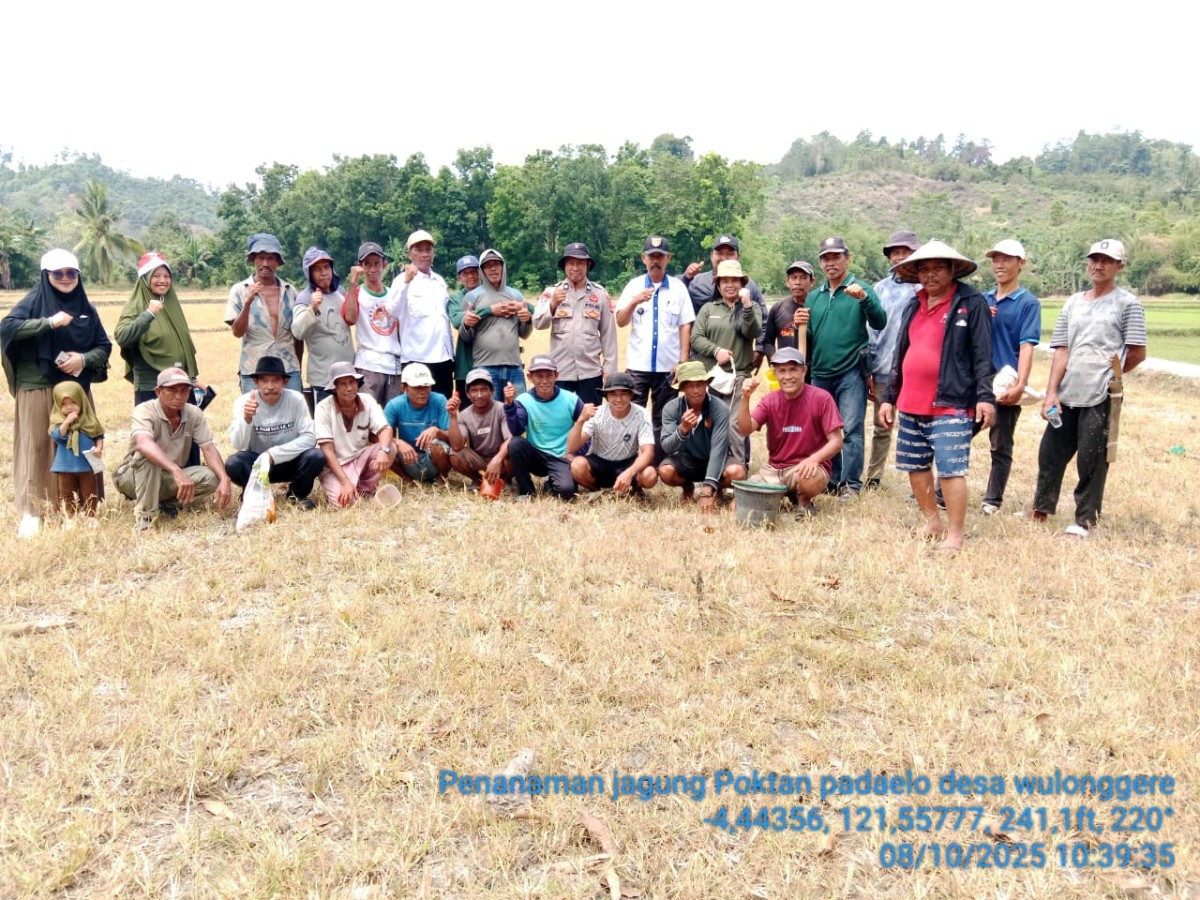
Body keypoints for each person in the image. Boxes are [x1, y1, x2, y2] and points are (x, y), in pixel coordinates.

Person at [878, 240, 995, 552]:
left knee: (951, 468)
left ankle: (955, 535)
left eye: (937, 268)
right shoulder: (913, 305)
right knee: (915, 465)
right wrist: (889, 396)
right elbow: (900, 352)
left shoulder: (971, 302)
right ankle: (932, 520)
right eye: (924, 269)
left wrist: (985, 396)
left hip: (952, 402)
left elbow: (983, 354)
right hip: (911, 402)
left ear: (952, 270)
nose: (930, 274)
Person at [1032, 239, 1146, 537]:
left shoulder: (1128, 304)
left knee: (1092, 459)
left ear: (1119, 266)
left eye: (1106, 260)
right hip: (1068, 391)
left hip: (1101, 395)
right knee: (1050, 453)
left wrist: (1112, 377)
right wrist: (1051, 392)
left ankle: (1084, 520)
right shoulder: (1073, 302)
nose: (1098, 265)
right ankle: (1041, 508)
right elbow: (1061, 350)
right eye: (1094, 259)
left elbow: (1137, 352)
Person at [2, 249, 112, 538]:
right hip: (38, 383)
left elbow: (104, 346)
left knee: (84, 441)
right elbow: (7, 329)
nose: (65, 278)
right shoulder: (33, 303)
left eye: (71, 273)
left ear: (78, 275)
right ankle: (34, 510)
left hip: (75, 388)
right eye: (58, 273)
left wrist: (83, 360)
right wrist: (49, 323)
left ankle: (85, 506)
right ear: (46, 276)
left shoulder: (86, 308)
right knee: (38, 445)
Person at [807, 236, 888, 499]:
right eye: (825, 258)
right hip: (820, 373)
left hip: (851, 372)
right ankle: (831, 479)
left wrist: (864, 299)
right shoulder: (814, 297)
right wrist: (798, 323)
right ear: (820, 263)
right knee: (824, 430)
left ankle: (851, 484)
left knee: (851, 428)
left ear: (847, 258)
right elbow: (808, 336)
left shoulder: (860, 288)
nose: (831, 263)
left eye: (836, 257)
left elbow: (880, 322)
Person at [113, 367, 233, 531]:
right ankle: (145, 519)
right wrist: (176, 470)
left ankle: (166, 503)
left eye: (184, 390)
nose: (179, 396)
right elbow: (143, 443)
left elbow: (208, 448)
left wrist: (225, 478)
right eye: (172, 390)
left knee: (212, 477)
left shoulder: (193, 413)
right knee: (147, 456)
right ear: (158, 391)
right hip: (132, 477)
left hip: (168, 477)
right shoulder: (145, 410)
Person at [737, 348, 844, 518]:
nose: (787, 376)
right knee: (740, 501)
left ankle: (804, 500)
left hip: (805, 468)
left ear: (804, 371)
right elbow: (744, 429)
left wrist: (814, 459)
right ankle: (781, 495)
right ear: (775, 374)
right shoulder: (769, 400)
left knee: (808, 477)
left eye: (793, 369)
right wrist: (745, 399)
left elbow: (837, 441)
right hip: (774, 470)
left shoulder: (821, 398)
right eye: (782, 371)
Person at [616, 235, 696, 457]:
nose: (655, 261)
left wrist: (682, 362)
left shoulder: (679, 288)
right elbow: (621, 321)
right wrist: (634, 301)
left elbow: (685, 326)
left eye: (660, 257)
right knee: (633, 413)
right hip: (638, 365)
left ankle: (659, 461)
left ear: (668, 258)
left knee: (664, 417)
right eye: (651, 257)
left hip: (667, 366)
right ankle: (631, 458)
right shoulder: (633, 286)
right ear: (643, 258)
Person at [981, 239, 1041, 514]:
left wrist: (1021, 385)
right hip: (980, 379)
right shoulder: (984, 299)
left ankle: (992, 500)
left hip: (1006, 380)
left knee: (1001, 442)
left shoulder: (1027, 303)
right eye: (996, 259)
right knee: (957, 434)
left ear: (1021, 263)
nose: (1000, 265)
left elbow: (1026, 346)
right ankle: (942, 492)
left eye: (1007, 259)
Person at [226, 356, 326, 510]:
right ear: (256, 382)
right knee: (234, 463)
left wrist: (273, 454)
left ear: (285, 382)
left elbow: (309, 438)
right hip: (258, 464)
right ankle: (254, 495)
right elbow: (238, 444)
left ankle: (296, 496)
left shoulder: (296, 399)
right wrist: (246, 419)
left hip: (290, 462)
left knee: (316, 456)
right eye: (264, 380)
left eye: (275, 380)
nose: (270, 386)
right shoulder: (244, 402)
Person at [690, 259, 762, 467]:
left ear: (742, 284)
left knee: (735, 425)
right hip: (711, 377)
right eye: (725, 281)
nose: (730, 285)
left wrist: (747, 305)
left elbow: (753, 332)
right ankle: (709, 473)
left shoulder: (752, 307)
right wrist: (716, 350)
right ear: (718, 285)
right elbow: (696, 338)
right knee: (709, 423)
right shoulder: (708, 308)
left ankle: (737, 472)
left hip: (739, 376)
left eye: (735, 280)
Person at [865, 231, 920, 489]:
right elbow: (872, 332)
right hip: (884, 369)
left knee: (917, 427)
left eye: (905, 251)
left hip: (916, 371)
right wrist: (870, 369)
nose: (899, 257)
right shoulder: (880, 289)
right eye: (895, 252)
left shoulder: (924, 288)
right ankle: (874, 476)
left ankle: (919, 480)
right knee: (881, 426)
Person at [533, 242, 617, 405]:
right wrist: (553, 305)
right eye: (571, 263)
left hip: (590, 372)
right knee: (561, 420)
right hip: (560, 372)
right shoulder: (552, 292)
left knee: (591, 421)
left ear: (588, 265)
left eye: (580, 263)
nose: (575, 267)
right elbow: (537, 323)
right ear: (565, 266)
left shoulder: (599, 294)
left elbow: (609, 335)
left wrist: (610, 371)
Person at [115, 251, 204, 405]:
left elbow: (182, 345)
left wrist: (192, 379)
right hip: (152, 386)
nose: (162, 280)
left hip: (180, 384)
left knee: (182, 428)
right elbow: (122, 336)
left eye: (166, 276)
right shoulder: (137, 306)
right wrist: (149, 314)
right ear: (145, 279)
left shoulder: (171, 304)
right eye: (156, 276)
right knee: (153, 428)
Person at [658, 360, 743, 512]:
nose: (696, 390)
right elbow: (667, 446)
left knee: (737, 472)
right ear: (683, 388)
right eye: (690, 385)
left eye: (700, 384)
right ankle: (687, 486)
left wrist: (708, 489)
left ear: (706, 384)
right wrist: (682, 429)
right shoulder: (671, 409)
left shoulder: (720, 408)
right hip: (689, 460)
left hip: (716, 458)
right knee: (665, 471)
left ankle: (716, 489)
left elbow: (718, 449)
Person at [225, 233, 302, 394]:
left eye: (271, 258)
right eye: (261, 258)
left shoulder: (290, 291)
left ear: (278, 262)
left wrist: (298, 365)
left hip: (288, 368)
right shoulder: (239, 290)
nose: (265, 263)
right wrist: (248, 302)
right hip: (254, 369)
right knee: (254, 415)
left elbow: (298, 334)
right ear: (253, 259)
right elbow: (237, 332)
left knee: (293, 416)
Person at [313, 361, 397, 507]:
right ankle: (350, 489)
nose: (349, 388)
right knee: (345, 504)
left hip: (359, 456)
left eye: (352, 382)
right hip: (335, 465)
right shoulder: (323, 408)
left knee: (390, 448)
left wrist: (384, 451)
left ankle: (365, 489)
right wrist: (345, 483)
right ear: (334, 388)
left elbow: (385, 429)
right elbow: (327, 452)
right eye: (343, 384)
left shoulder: (367, 400)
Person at [504, 355, 583, 501]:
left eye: (549, 376)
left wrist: (575, 453)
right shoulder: (523, 400)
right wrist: (510, 406)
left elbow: (587, 430)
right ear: (530, 377)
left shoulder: (571, 399)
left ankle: (551, 485)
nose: (544, 381)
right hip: (536, 454)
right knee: (515, 443)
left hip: (562, 456)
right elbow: (517, 431)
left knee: (567, 491)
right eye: (539, 376)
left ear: (557, 376)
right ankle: (526, 491)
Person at [681, 234, 768, 364]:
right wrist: (686, 278)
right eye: (719, 253)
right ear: (711, 256)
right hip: (701, 357)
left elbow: (763, 321)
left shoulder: (750, 288)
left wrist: (760, 348)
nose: (724, 258)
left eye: (730, 253)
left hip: (737, 358)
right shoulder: (696, 282)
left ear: (738, 257)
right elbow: (673, 295)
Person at [459, 248, 533, 399]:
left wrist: (526, 320)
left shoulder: (516, 295)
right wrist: (466, 324)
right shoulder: (472, 296)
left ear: (503, 267)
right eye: (487, 265)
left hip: (514, 367)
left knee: (518, 413)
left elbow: (524, 333)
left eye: (496, 264)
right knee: (488, 415)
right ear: (482, 270)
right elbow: (466, 337)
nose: (493, 269)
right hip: (485, 368)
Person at [568, 372, 658, 495]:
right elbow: (572, 447)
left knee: (650, 475)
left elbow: (648, 452)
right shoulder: (597, 413)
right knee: (577, 465)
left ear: (631, 395)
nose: (618, 399)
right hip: (599, 461)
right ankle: (596, 491)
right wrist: (580, 421)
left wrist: (630, 472)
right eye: (613, 394)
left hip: (628, 461)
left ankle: (635, 489)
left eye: (624, 394)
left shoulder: (641, 414)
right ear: (606, 396)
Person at [393, 229, 455, 399]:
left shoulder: (439, 282)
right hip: (417, 359)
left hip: (443, 360)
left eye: (428, 249)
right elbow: (393, 311)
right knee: (416, 412)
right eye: (418, 250)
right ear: (409, 254)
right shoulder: (401, 281)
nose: (425, 254)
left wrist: (451, 358)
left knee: (443, 410)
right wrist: (406, 281)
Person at [292, 246, 354, 408]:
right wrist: (312, 307)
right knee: (325, 426)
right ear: (309, 274)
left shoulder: (340, 292)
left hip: (348, 375)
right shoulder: (305, 298)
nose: (324, 272)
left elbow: (352, 317)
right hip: (323, 379)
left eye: (327, 267)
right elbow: (297, 331)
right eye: (317, 269)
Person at [383, 363, 462, 483]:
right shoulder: (394, 405)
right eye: (417, 387)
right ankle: (407, 478)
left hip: (432, 456)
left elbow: (452, 439)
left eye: (426, 386)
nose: (423, 391)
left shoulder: (439, 400)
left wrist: (437, 431)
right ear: (404, 388)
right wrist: (398, 443)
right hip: (408, 458)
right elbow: (378, 434)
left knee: (438, 447)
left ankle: (442, 477)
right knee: (384, 447)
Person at [345, 241, 403, 404]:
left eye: (377, 263)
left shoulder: (393, 294)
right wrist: (352, 283)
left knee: (390, 420)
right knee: (367, 417)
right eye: (367, 264)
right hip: (368, 365)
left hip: (393, 367)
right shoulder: (356, 292)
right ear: (360, 267)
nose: (372, 269)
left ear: (384, 265)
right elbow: (350, 318)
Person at [448, 368, 514, 490]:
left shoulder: (502, 409)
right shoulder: (464, 415)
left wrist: (497, 459)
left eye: (483, 390)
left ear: (492, 391)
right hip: (480, 461)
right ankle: (478, 480)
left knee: (513, 448)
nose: (479, 395)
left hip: (501, 459)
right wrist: (453, 416)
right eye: (474, 391)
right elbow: (457, 446)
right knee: (455, 454)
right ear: (467, 394)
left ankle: (505, 480)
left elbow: (510, 439)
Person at [49, 381, 105, 521]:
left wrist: (98, 448)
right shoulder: (58, 422)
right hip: (65, 466)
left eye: (73, 403)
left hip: (87, 464)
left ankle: (91, 516)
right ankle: (70, 517)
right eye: (64, 404)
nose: (69, 407)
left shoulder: (89, 420)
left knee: (89, 492)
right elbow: (57, 436)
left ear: (81, 400)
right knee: (66, 493)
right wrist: (66, 422)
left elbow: (98, 435)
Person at [759, 260, 814, 369]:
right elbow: (767, 342)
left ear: (812, 282)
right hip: (787, 372)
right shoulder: (777, 308)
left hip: (813, 372)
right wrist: (775, 359)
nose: (797, 282)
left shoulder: (818, 307)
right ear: (787, 282)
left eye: (803, 277)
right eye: (793, 278)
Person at [447, 255, 484, 399]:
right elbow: (456, 320)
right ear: (459, 277)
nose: (471, 276)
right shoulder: (456, 298)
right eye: (465, 273)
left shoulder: (490, 292)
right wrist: (490, 310)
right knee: (465, 413)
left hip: (491, 365)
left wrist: (470, 315)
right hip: (466, 365)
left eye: (474, 271)